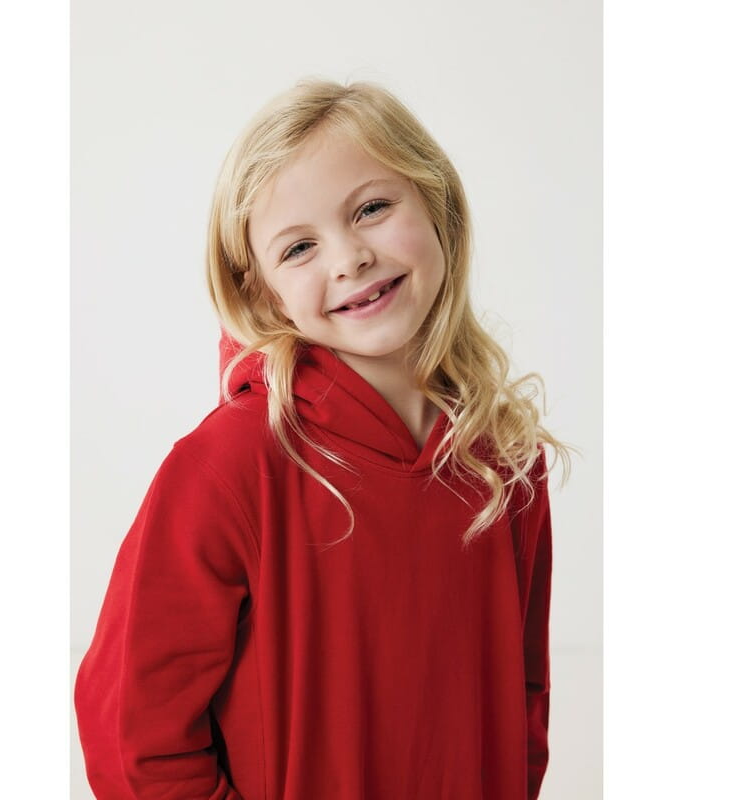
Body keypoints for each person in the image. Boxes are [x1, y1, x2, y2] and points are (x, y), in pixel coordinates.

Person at [75, 77, 572, 800]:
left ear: (438, 205)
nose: (348, 259)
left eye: (371, 208)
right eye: (299, 247)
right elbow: (132, 735)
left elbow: (522, 701)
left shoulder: (504, 457)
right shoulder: (227, 466)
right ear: (261, 292)